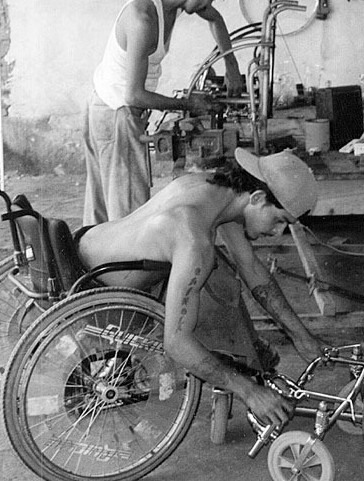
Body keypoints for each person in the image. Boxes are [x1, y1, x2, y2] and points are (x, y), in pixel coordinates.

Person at [77, 148, 324, 428]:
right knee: (209, 277)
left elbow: (251, 268)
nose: (278, 232)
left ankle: (250, 361)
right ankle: (247, 371)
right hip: (101, 294)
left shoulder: (215, 192)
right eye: (280, 220)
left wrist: (301, 336)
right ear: (256, 198)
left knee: (220, 274)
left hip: (90, 246)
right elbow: (176, 343)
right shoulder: (193, 240)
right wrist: (249, 391)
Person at [83, 0, 245, 225]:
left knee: (103, 206)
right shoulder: (144, 18)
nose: (210, 5)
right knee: (127, 212)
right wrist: (188, 104)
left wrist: (231, 65)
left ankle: (94, 264)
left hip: (107, 105)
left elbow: (215, 20)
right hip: (116, 111)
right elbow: (134, 94)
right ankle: (123, 268)